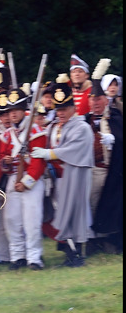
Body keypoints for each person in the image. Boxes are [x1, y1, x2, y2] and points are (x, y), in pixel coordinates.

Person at [31, 75, 94, 267]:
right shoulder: (55, 126)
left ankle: (76, 255)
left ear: (73, 108)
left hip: (73, 177)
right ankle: (68, 251)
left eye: (65, 109)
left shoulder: (81, 127)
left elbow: (73, 150)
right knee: (56, 215)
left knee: (73, 214)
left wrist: (48, 153)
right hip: (55, 177)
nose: (61, 113)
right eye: (58, 109)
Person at [0, 87, 48, 270]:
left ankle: (34, 258)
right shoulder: (6, 134)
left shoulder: (36, 131)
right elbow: (2, 160)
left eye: (16, 110)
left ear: (24, 110)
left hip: (31, 182)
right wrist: (6, 161)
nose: (12, 114)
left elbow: (38, 162)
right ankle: (17, 256)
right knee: (11, 220)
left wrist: (26, 183)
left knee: (32, 222)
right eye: (10, 111)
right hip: (13, 179)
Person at [88, 68, 123, 254]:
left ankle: (111, 240)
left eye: (99, 100)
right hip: (93, 170)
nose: (95, 103)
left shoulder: (114, 117)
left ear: (105, 101)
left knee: (112, 205)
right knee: (92, 205)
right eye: (92, 100)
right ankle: (94, 240)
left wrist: (114, 140)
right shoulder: (85, 120)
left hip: (112, 170)